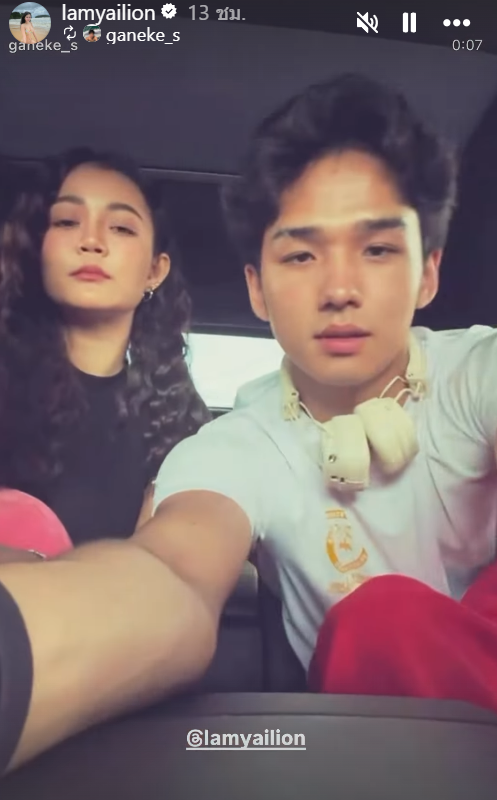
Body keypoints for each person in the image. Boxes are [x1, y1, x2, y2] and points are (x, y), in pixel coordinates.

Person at [1, 73, 497, 775]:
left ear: (428, 275)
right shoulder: (235, 445)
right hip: (389, 753)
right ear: (256, 290)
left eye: (377, 250)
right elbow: (169, 571)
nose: (340, 289)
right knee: (380, 618)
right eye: (301, 255)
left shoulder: (476, 370)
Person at [0, 148, 210, 556]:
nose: (92, 241)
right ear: (38, 250)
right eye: (67, 221)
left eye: (121, 228)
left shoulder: (183, 429)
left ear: (155, 271)